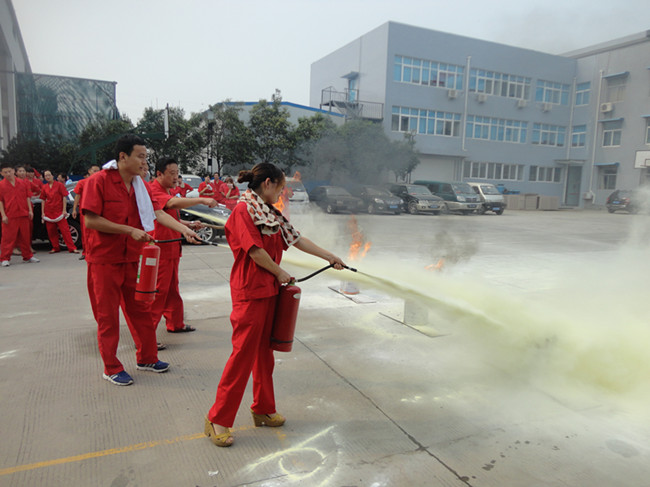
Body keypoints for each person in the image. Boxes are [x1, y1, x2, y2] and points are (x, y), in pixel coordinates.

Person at [205, 162, 346, 447]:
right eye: (280, 188)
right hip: (250, 292)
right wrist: (279, 272)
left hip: (269, 291)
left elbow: (297, 239)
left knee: (265, 355)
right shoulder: (244, 211)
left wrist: (329, 256)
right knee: (242, 357)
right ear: (267, 183)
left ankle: (263, 409)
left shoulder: (270, 212)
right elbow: (255, 251)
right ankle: (217, 418)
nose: (282, 193)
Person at [81, 134, 200, 386]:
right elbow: (91, 220)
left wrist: (184, 230)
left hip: (132, 258)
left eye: (146, 157)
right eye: (141, 157)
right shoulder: (98, 182)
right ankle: (111, 367)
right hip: (104, 260)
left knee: (141, 310)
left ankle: (147, 358)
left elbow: (158, 213)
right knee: (107, 316)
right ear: (123, 157)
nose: (144, 162)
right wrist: (129, 231)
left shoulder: (140, 187)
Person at [148, 157, 218, 335]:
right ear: (159, 174)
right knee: (158, 293)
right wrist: (202, 200)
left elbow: (170, 219)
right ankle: (146, 336)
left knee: (172, 290)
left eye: (177, 173)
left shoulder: (167, 191)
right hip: (161, 250)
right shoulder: (153, 191)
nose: (176, 177)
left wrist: (189, 225)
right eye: (172, 173)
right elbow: (170, 204)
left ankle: (175, 323)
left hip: (172, 248)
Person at [0, 163, 40, 266]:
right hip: (10, 215)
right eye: (5, 172)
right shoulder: (1, 185)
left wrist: (30, 210)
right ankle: (5, 258)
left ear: (14, 171)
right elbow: (0, 201)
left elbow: (27, 197)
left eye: (10, 171)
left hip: (23, 213)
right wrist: (3, 215)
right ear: (2, 173)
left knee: (25, 237)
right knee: (8, 238)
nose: (8, 174)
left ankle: (28, 256)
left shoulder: (22, 183)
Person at [40, 170, 79, 254]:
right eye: (46, 176)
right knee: (51, 231)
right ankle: (55, 247)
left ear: (52, 176)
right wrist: (42, 212)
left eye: (49, 175)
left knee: (65, 230)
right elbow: (43, 200)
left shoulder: (59, 185)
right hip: (48, 211)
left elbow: (64, 197)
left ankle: (72, 248)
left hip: (59, 211)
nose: (48, 177)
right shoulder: (44, 187)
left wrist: (64, 210)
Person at [71, 165, 100, 260]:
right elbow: (77, 196)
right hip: (86, 211)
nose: (96, 172)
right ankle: (86, 252)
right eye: (94, 170)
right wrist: (74, 209)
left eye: (98, 171)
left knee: (98, 232)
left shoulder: (101, 182)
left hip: (98, 211)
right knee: (85, 232)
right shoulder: (82, 182)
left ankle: (96, 252)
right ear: (89, 171)